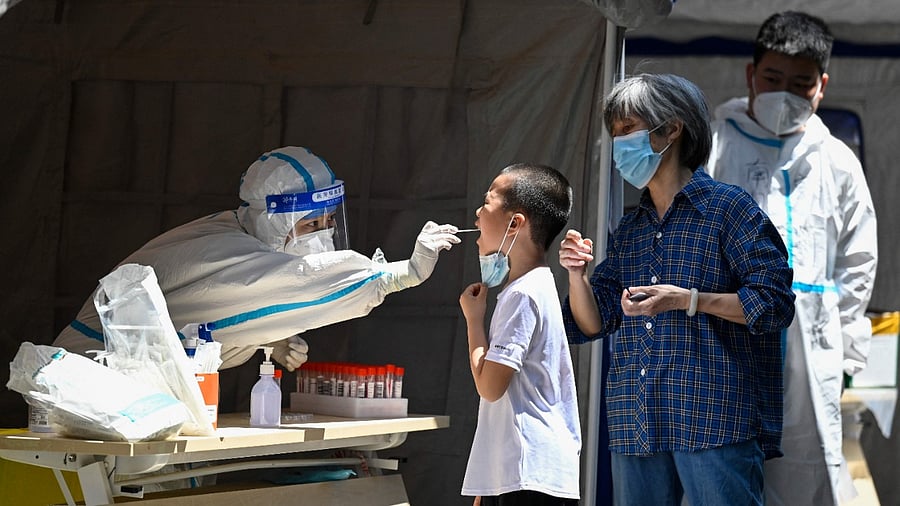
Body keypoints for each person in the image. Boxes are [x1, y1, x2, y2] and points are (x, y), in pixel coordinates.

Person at [54, 146, 461, 407]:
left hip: (131, 397)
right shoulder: (220, 251)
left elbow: (209, 322)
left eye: (328, 221)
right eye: (309, 223)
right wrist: (398, 274)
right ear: (273, 220)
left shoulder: (240, 235)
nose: (322, 235)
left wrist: (269, 334)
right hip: (88, 388)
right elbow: (293, 280)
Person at [559, 73, 795, 505]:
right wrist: (578, 275)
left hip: (714, 417)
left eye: (628, 129)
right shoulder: (631, 227)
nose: (619, 145)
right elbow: (592, 322)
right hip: (637, 418)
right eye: (614, 134)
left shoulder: (729, 209)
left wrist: (688, 300)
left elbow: (774, 303)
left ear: (672, 128)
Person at [706, 11, 878, 505]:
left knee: (807, 468)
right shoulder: (715, 146)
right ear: (750, 75)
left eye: (801, 83)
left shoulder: (837, 161)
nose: (785, 93)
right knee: (725, 469)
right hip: (727, 336)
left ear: (822, 85)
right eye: (773, 79)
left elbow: (858, 260)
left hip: (812, 342)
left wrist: (846, 345)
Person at [458, 163, 581, 506]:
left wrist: (473, 321)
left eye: (487, 202)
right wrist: (489, 481)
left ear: (516, 223)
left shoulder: (522, 295)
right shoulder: (533, 287)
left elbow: (490, 387)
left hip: (529, 474)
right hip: (524, 472)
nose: (477, 215)